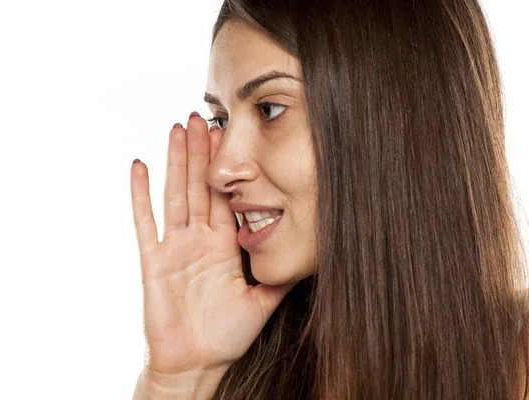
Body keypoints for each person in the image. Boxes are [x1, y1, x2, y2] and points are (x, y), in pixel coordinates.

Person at [130, 0, 529, 398]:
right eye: (221, 119)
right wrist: (179, 379)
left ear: (391, 118)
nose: (219, 171)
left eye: (269, 109)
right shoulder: (241, 357)